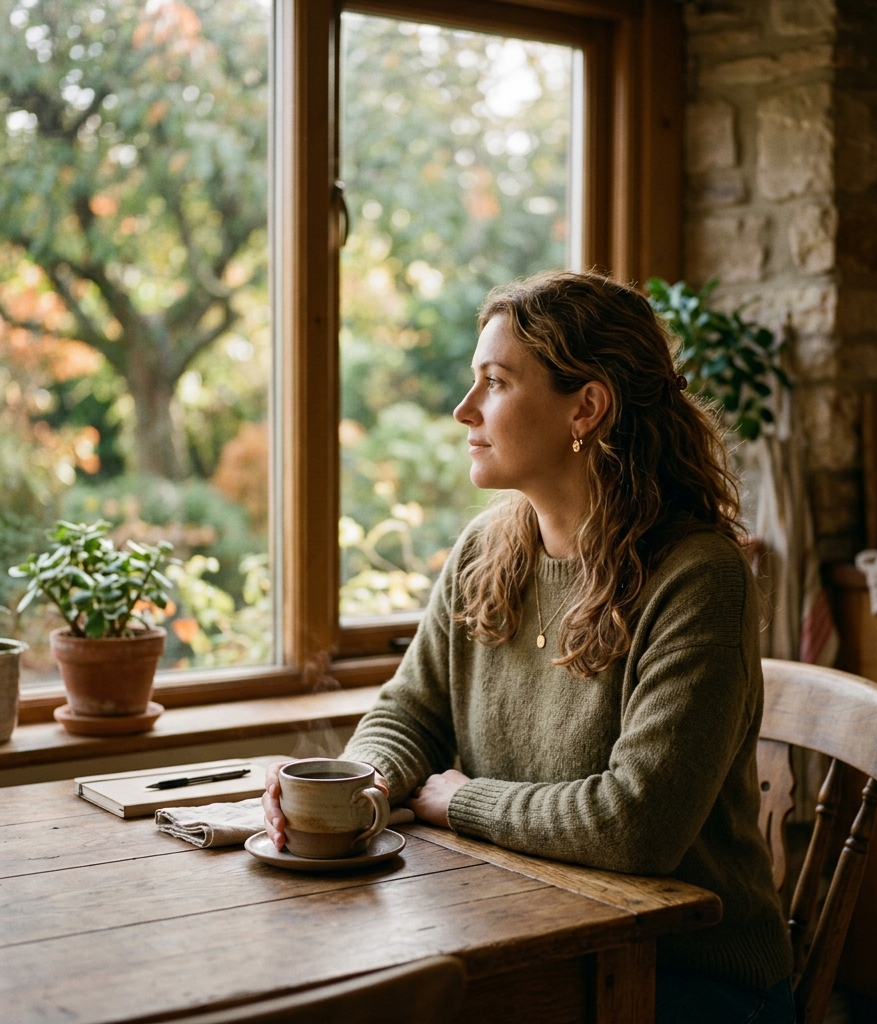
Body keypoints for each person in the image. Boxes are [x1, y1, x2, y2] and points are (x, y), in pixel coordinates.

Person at [262, 270, 795, 1023]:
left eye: (495, 382)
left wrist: (461, 801)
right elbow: (412, 709)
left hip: (683, 979)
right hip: (517, 932)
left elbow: (636, 824)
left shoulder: (699, 579)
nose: (463, 410)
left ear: (586, 406)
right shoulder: (487, 547)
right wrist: (366, 784)